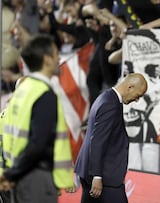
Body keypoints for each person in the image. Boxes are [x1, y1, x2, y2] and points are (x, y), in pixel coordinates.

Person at [0, 34, 74, 203]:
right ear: (47, 59)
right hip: (37, 180)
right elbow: (37, 144)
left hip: (21, 178)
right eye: (56, 54)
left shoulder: (21, 93)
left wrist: (12, 173)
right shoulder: (44, 94)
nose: (59, 58)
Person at [74, 73, 148, 203]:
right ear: (130, 87)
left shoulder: (105, 97)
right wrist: (97, 176)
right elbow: (97, 141)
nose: (137, 100)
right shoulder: (110, 104)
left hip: (91, 172)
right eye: (138, 95)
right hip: (104, 177)